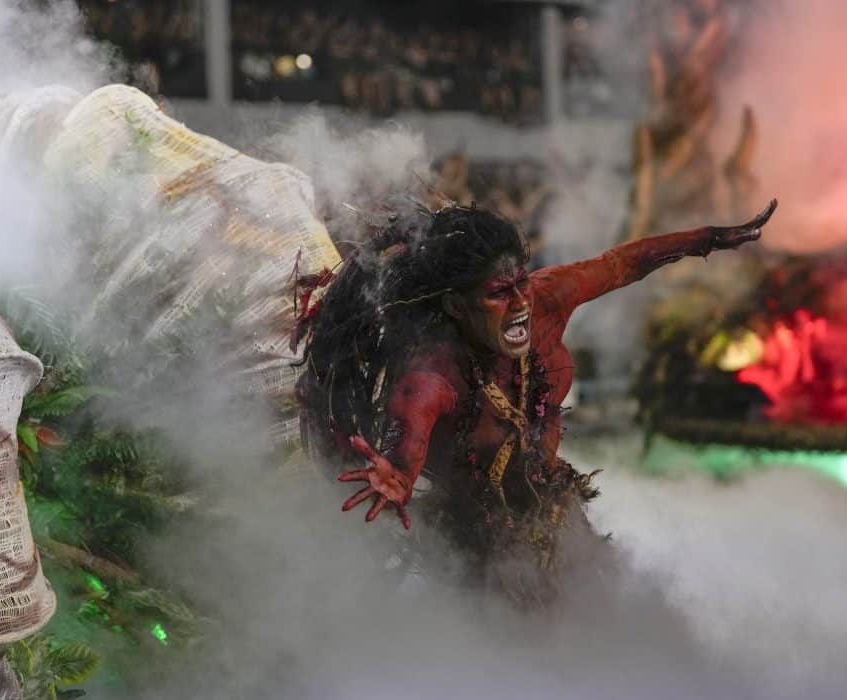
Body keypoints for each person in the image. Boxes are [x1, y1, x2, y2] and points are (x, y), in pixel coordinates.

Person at [296, 200, 776, 604]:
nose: (519, 302)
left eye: (521, 283)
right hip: (477, 542)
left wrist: (704, 238)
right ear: (455, 308)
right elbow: (407, 448)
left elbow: (620, 264)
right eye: (499, 294)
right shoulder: (430, 374)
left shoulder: (546, 300)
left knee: (598, 632)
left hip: (553, 512)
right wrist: (397, 479)